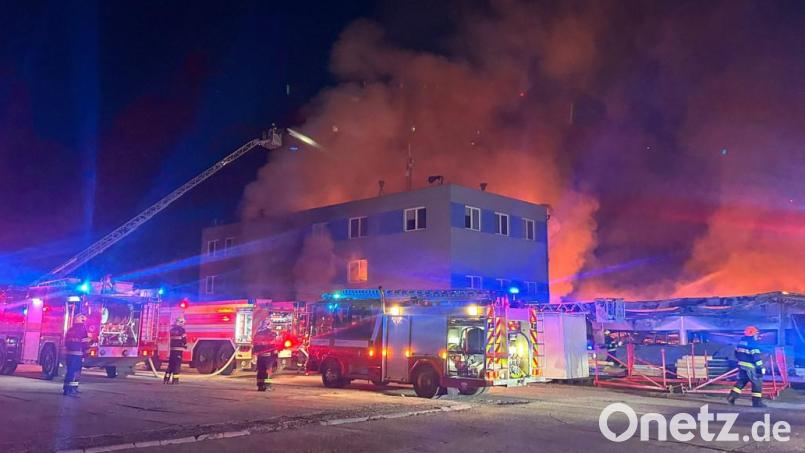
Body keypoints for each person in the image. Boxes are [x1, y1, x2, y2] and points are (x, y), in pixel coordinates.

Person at [727, 326, 766, 408]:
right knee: (757, 383)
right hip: (751, 367)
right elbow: (756, 357)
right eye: (756, 334)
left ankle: (732, 396)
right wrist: (759, 368)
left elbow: (736, 353)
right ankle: (757, 403)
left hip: (742, 365)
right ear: (752, 334)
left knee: (742, 382)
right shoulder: (753, 343)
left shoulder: (741, 342)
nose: (757, 336)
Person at [63, 312, 90, 396]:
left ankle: (67, 389)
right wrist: (86, 352)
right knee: (76, 372)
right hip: (78, 354)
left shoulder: (70, 329)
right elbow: (85, 342)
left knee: (70, 371)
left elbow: (66, 342)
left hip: (69, 354)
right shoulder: (82, 330)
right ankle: (72, 389)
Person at [164, 317, 187, 384]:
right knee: (177, 365)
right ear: (181, 322)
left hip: (172, 349)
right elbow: (184, 340)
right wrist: (184, 345)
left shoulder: (172, 330)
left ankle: (166, 379)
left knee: (170, 365)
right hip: (178, 350)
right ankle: (175, 380)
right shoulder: (182, 330)